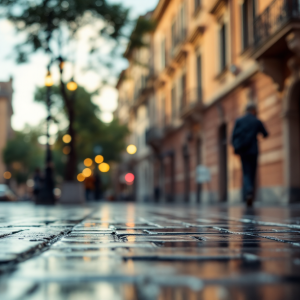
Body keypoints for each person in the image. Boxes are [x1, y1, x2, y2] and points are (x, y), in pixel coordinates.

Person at [232, 102, 268, 207]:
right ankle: (250, 190)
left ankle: (248, 190)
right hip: (253, 150)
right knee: (252, 172)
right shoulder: (256, 121)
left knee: (246, 172)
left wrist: (237, 147)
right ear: (254, 110)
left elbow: (233, 136)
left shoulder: (239, 120)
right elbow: (265, 134)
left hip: (243, 151)